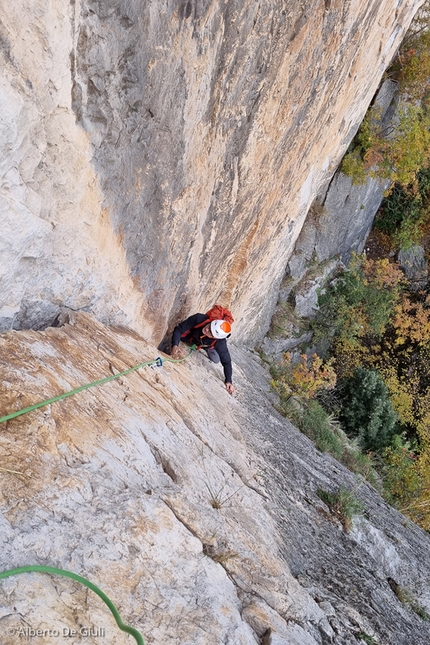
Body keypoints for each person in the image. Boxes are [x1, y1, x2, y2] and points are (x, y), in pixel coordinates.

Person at [171, 313, 236, 395]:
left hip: (206, 345)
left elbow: (226, 362)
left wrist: (229, 381)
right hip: (192, 337)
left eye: (210, 332)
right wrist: (175, 344)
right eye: (209, 326)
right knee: (181, 337)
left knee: (216, 359)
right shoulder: (199, 319)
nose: (207, 330)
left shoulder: (220, 343)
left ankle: (209, 349)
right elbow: (179, 329)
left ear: (214, 337)